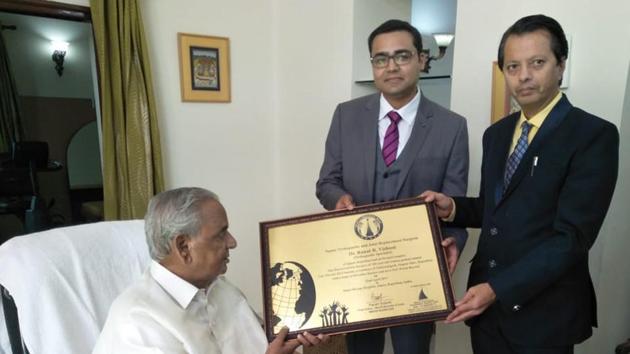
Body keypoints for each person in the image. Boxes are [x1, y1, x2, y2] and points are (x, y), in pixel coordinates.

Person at [421, 14, 619, 354]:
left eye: (537, 63)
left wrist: (496, 288)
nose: (524, 75)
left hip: (545, 315)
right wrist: (453, 207)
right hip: (488, 313)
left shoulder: (592, 135)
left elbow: (571, 239)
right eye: (513, 67)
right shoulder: (497, 134)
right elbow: (496, 208)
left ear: (561, 66)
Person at [316, 19, 469, 354]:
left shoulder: (452, 126)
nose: (391, 66)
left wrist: (453, 240)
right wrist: (339, 198)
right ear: (372, 65)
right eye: (380, 59)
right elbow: (326, 181)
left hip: (416, 272)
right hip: (357, 270)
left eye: (402, 56)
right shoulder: (346, 115)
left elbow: (456, 205)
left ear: (421, 60)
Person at [93, 187, 329, 354]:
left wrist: (296, 334)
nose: (232, 242)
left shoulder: (219, 288)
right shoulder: (139, 322)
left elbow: (261, 336)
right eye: (220, 234)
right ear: (184, 247)